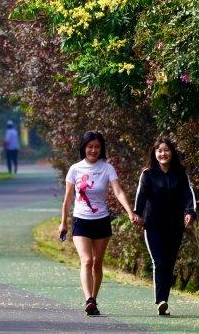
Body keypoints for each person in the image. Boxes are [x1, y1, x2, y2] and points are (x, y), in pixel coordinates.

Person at [58, 130, 140, 316]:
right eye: (90, 147)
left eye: (96, 147)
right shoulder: (75, 169)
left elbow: (118, 191)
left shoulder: (107, 168)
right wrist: (63, 222)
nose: (93, 150)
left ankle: (94, 299)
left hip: (102, 220)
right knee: (86, 260)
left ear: (101, 149)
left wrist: (129, 211)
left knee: (97, 262)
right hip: (81, 220)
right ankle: (89, 299)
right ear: (84, 148)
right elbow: (68, 198)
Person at [133, 137, 196, 316]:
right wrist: (137, 213)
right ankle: (161, 300)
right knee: (159, 261)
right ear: (154, 154)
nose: (163, 153)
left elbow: (188, 195)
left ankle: (164, 302)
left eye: (166, 150)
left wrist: (190, 212)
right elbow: (141, 195)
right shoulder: (148, 174)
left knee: (169, 263)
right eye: (159, 151)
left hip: (175, 225)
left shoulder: (180, 173)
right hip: (153, 225)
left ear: (172, 152)